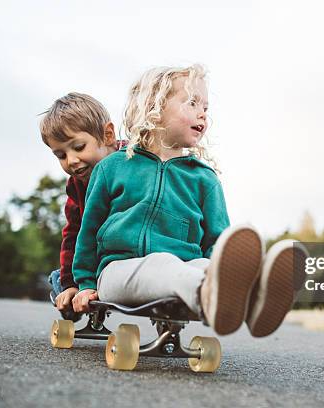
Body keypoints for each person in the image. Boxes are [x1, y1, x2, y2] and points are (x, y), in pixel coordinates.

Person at [72, 65, 306, 337]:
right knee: (164, 265)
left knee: (205, 267)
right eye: (192, 102)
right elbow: (88, 232)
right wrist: (85, 283)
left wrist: (218, 267)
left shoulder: (204, 179)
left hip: (184, 269)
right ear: (154, 107)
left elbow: (217, 244)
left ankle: (255, 305)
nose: (203, 113)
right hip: (118, 272)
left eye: (205, 107)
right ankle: (209, 296)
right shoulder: (113, 167)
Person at [39, 92, 125, 320]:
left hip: (126, 257)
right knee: (60, 280)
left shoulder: (134, 163)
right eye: (61, 155)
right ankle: (69, 290)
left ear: (107, 135)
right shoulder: (76, 184)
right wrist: (70, 284)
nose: (71, 160)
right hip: (92, 260)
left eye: (78, 147)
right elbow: (73, 233)